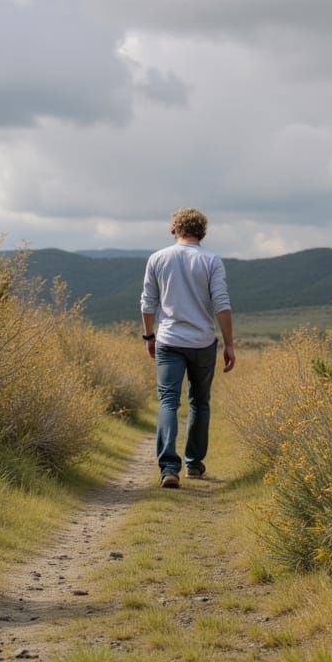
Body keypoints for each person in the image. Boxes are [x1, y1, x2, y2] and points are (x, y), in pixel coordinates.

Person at [140, 207, 235, 488]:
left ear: (175, 230)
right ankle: (194, 464)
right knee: (200, 401)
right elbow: (222, 304)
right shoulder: (212, 261)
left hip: (169, 341)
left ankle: (169, 467)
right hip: (203, 341)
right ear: (202, 232)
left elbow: (148, 304)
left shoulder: (157, 259)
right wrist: (229, 344)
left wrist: (149, 337)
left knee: (168, 401)